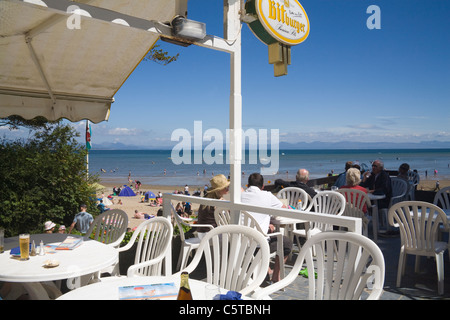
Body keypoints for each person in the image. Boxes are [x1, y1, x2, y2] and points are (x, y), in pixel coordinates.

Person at [241, 173, 292, 283]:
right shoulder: (267, 195)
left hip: (240, 241)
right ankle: (276, 276)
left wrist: (265, 221)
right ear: (263, 186)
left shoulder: (240, 196)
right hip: (258, 243)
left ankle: (266, 268)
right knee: (286, 243)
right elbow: (284, 209)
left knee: (266, 234)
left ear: (247, 185)